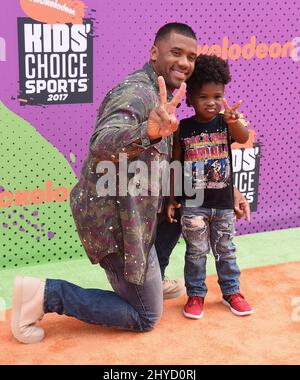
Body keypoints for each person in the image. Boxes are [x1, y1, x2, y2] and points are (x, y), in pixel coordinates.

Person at [10, 23, 250, 344]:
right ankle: (45, 294)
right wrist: (147, 132)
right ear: (154, 53)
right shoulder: (137, 93)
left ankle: (153, 276)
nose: (184, 63)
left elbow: (182, 163)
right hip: (114, 220)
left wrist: (228, 189)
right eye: (175, 53)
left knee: (183, 206)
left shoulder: (162, 93)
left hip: (138, 212)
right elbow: (102, 143)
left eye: (190, 56)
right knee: (145, 316)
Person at [167, 54, 253, 319]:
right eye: (204, 97)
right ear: (190, 98)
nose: (212, 102)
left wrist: (233, 121)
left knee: (226, 251)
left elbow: (243, 136)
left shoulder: (225, 124)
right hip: (193, 206)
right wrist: (172, 199)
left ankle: (231, 292)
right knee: (196, 253)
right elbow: (177, 164)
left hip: (224, 205)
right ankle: (195, 295)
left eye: (218, 96)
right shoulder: (183, 128)